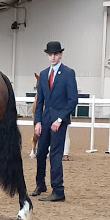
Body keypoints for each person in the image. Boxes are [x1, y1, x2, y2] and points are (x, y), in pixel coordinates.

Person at [32, 41, 78, 202]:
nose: (53, 57)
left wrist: (59, 119)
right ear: (47, 56)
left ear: (60, 55)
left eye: (55, 54)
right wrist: (37, 121)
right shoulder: (44, 74)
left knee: (55, 155)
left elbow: (73, 101)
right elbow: (40, 101)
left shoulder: (68, 73)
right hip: (45, 120)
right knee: (41, 153)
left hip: (59, 121)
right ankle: (40, 184)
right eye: (50, 55)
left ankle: (58, 190)